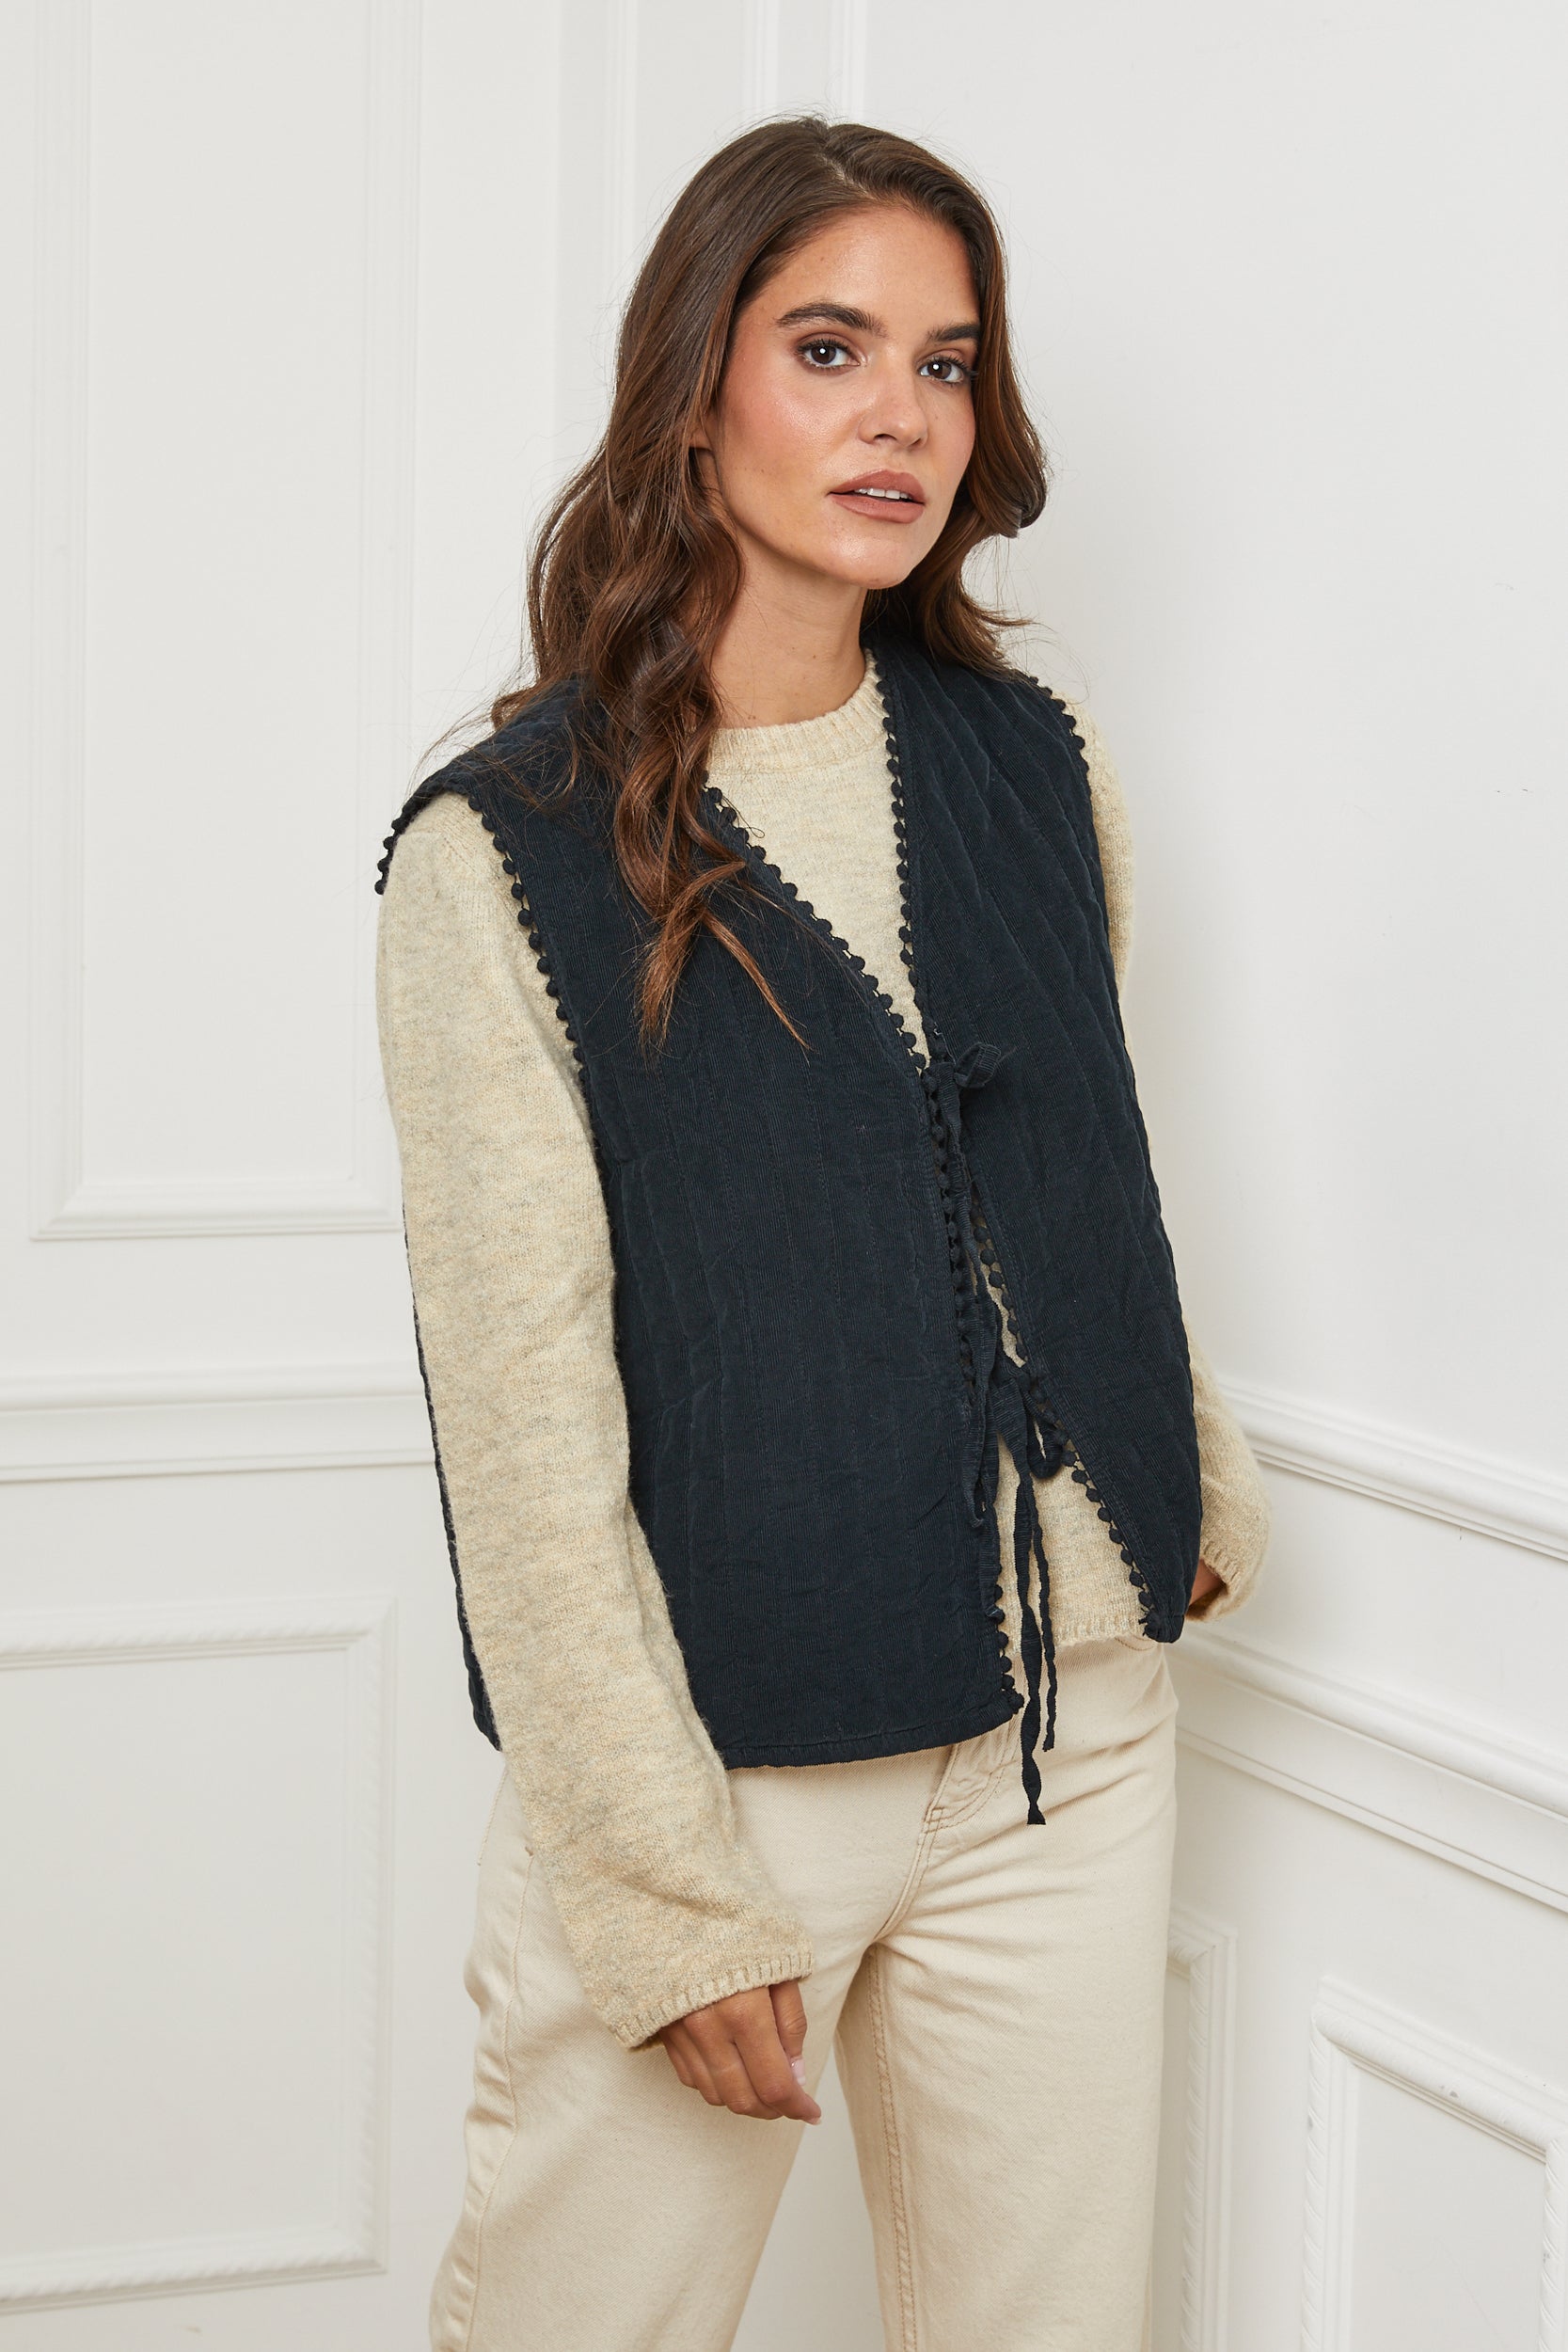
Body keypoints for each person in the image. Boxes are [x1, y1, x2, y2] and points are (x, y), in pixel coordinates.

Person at [376, 114, 1271, 2352]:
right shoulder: (503, 852)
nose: (904, 417)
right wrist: (662, 1893)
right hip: (731, 1766)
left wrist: (1179, 1479)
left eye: (947, 362)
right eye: (830, 347)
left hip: (1072, 1735)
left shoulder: (1033, 759)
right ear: (697, 387)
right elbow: (521, 1426)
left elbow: (1072, 1166)